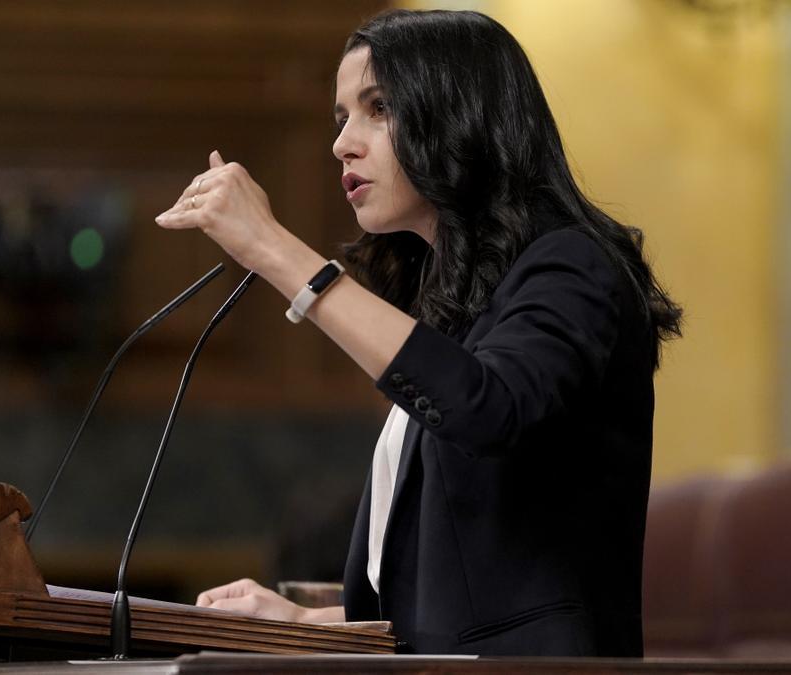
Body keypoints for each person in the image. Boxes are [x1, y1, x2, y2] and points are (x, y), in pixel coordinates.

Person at [154, 8, 681, 657]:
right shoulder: (460, 311)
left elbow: (485, 408)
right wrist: (302, 622)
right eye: (341, 117)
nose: (343, 142)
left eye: (377, 108)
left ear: (462, 113)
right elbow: (458, 601)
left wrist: (276, 250)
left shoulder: (573, 265)